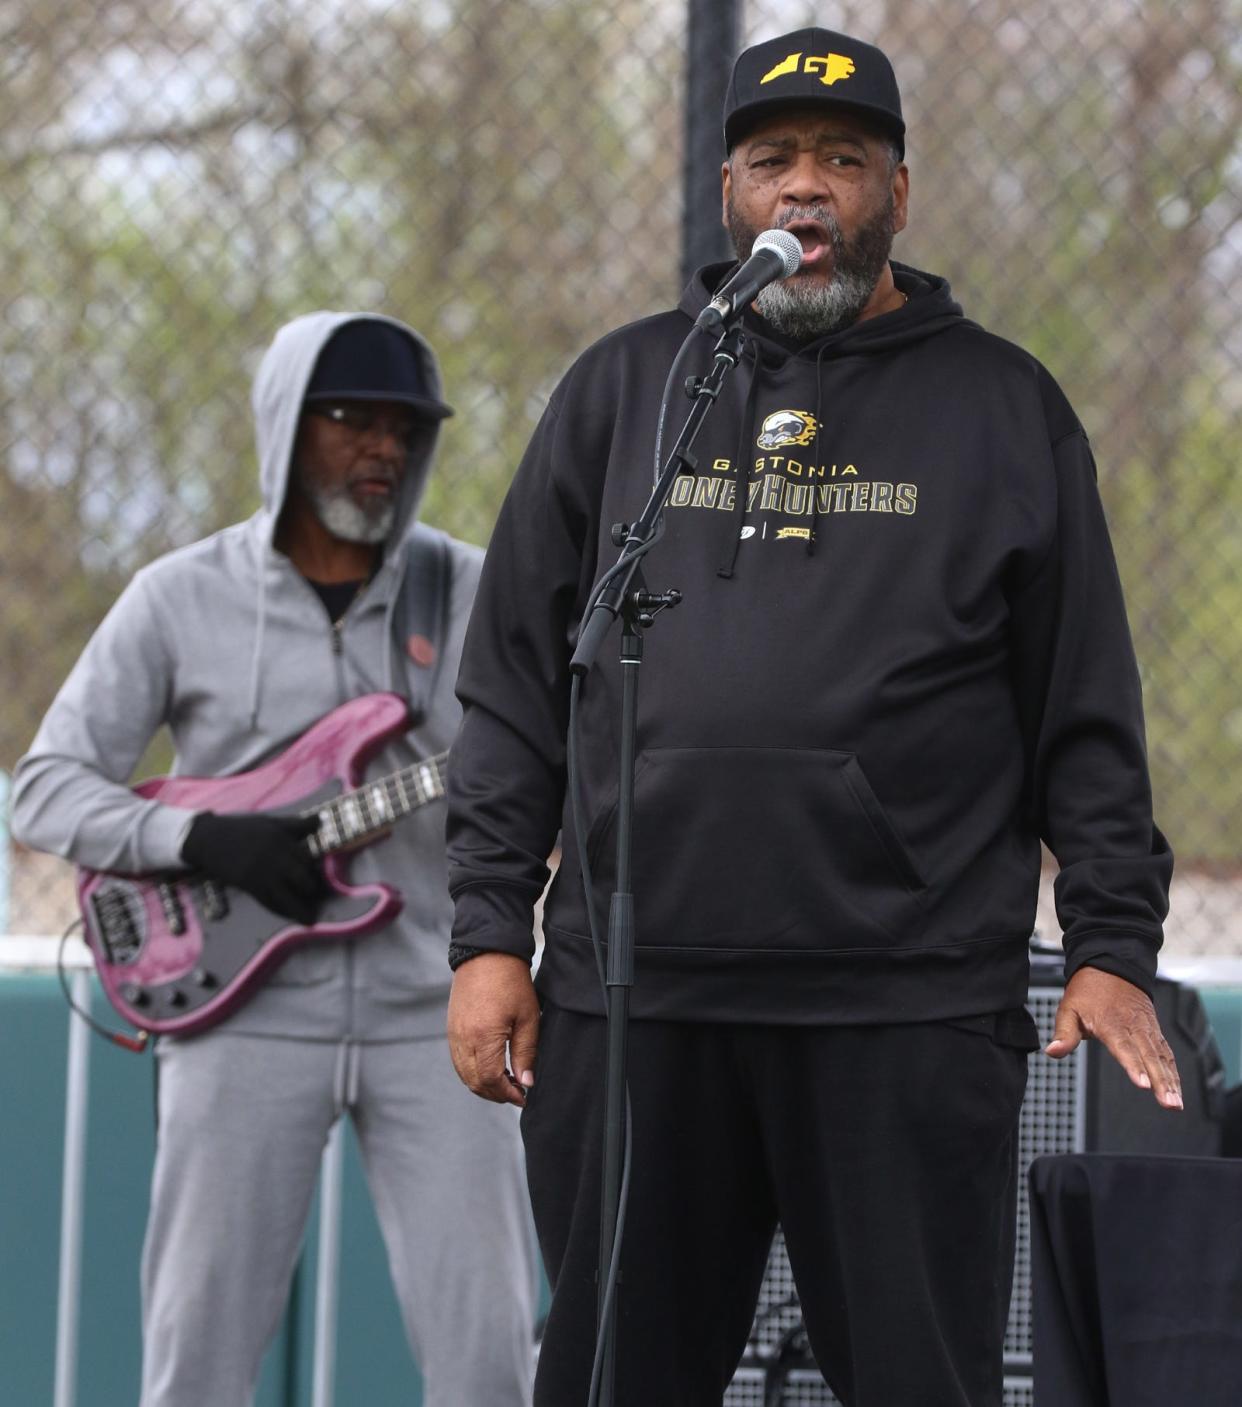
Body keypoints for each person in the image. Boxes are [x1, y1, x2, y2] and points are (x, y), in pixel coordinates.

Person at [442, 27, 1182, 1407]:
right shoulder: (625, 389)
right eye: (773, 159)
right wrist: (487, 928)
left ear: (897, 192)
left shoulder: (1003, 408)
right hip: (634, 997)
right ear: (725, 190)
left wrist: (1110, 942)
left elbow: (1083, 707)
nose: (805, 191)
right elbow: (513, 685)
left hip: (901, 1006)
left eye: (843, 162)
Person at [12, 312, 537, 1407]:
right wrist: (198, 838)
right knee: (195, 1359)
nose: (381, 447)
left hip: (432, 1021)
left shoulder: (475, 592)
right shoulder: (178, 597)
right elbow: (46, 786)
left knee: (493, 1359)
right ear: (285, 427)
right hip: (236, 1019)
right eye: (350, 420)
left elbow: (540, 768)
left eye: (403, 427)